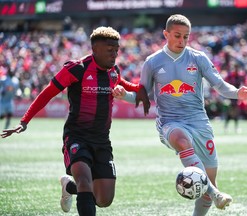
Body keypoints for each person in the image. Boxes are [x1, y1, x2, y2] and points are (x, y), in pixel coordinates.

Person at [1, 26, 149, 216]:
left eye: (116, 50)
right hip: (77, 136)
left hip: (102, 140)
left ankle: (69, 186)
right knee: (85, 181)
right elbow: (47, 94)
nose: (114, 54)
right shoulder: (76, 69)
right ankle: (77, 185)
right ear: (95, 50)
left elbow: (127, 85)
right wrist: (25, 120)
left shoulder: (113, 71)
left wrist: (141, 90)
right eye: (109, 50)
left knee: (104, 200)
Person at [135, 14, 247, 215]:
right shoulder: (152, 62)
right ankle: (216, 193)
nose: (181, 41)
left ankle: (210, 193)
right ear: (166, 34)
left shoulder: (198, 58)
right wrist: (124, 95)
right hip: (170, 123)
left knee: (206, 186)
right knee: (181, 140)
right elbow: (142, 95)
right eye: (177, 36)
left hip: (200, 124)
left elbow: (220, 86)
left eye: (186, 37)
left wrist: (237, 93)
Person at [223, 63, 246, 133]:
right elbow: (225, 86)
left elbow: (242, 85)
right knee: (229, 112)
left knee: (236, 113)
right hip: (230, 96)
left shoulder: (240, 76)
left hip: (236, 96)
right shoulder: (230, 76)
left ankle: (236, 127)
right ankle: (226, 127)